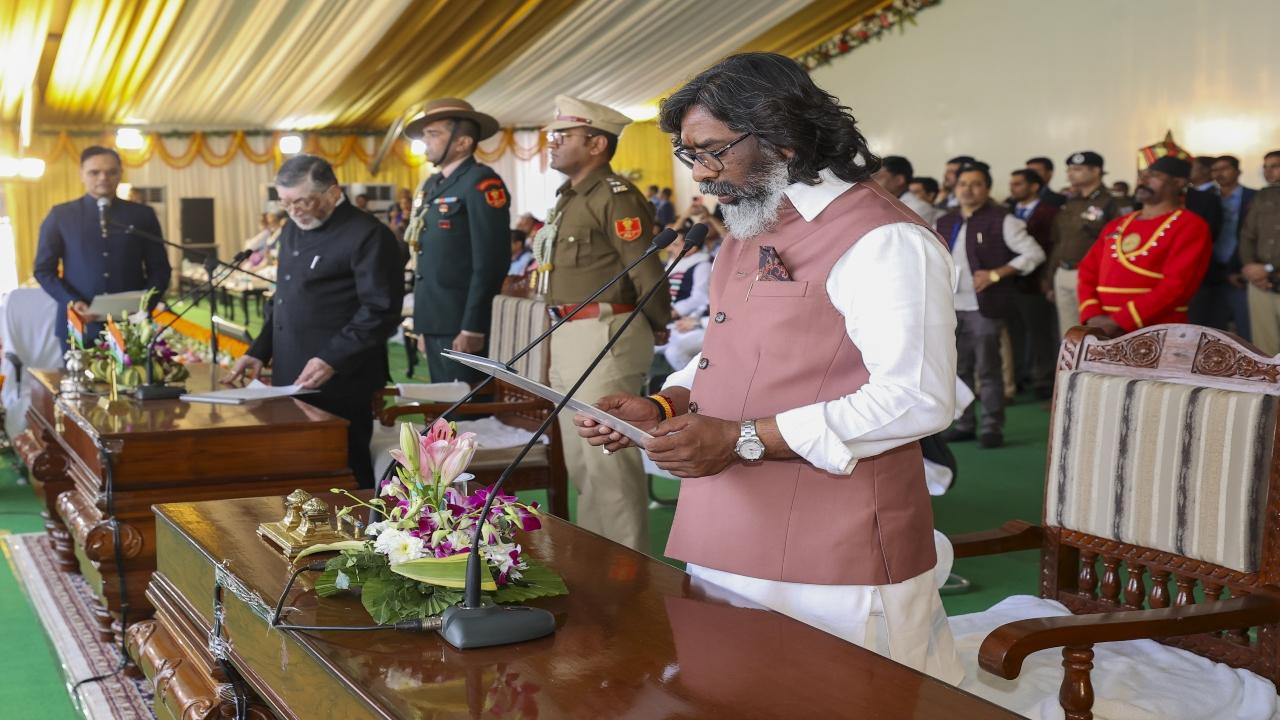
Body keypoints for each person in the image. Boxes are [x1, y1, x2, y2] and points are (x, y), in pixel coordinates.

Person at [576, 52, 963, 684]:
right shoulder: (751, 226)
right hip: (724, 523)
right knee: (724, 689)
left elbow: (915, 397)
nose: (701, 175)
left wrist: (742, 437)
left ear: (782, 135)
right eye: (691, 155)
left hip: (833, 547)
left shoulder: (884, 238)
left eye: (713, 152)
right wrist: (667, 404)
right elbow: (726, 350)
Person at [535, 94, 671, 551]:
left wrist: (656, 324)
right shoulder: (570, 198)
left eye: (565, 136)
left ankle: (628, 578)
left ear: (596, 143)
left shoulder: (614, 196)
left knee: (607, 461)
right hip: (572, 332)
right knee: (582, 460)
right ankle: (597, 564)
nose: (552, 143)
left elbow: (645, 268)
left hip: (607, 331)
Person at [225, 155, 404, 488]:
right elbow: (286, 298)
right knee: (298, 465)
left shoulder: (368, 235)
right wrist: (259, 350)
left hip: (341, 377)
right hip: (290, 373)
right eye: (285, 202)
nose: (293, 210)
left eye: (302, 201)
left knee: (343, 469)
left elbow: (380, 310)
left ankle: (359, 534)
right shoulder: (293, 228)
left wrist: (332, 358)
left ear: (333, 193)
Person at [402, 98, 511, 385]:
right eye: (425, 135)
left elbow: (491, 261)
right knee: (444, 407)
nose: (426, 142)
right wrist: (423, 324)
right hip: (435, 319)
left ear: (462, 143)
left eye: (434, 134)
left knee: (467, 413)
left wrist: (473, 327)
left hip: (462, 322)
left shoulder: (481, 182)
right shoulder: (431, 185)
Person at [937, 163, 1045, 448]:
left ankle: (991, 426)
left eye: (975, 184)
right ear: (954, 188)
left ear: (986, 189)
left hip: (983, 306)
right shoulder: (945, 221)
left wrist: (997, 273)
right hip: (948, 307)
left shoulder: (1002, 220)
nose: (968, 190)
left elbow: (1033, 254)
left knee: (988, 369)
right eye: (963, 184)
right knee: (957, 369)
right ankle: (964, 422)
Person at [34, 146, 170, 352]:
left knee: (132, 384)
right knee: (80, 385)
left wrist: (143, 306)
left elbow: (160, 269)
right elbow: (43, 270)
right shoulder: (61, 215)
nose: (103, 177)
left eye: (111, 172)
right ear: (82, 174)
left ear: (120, 173)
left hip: (131, 326)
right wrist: (72, 301)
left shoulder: (142, 215)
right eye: (94, 172)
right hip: (79, 324)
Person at [1077, 156, 1212, 337]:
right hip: (1101, 326)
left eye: (1154, 175)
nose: (1143, 180)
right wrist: (1092, 314)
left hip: (1157, 328)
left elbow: (1177, 285)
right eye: (1142, 175)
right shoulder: (1117, 224)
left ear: (1179, 182)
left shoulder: (1191, 225)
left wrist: (1120, 320)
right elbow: (1088, 270)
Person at [1044, 151, 1121, 335]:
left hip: (1091, 275)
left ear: (1096, 171)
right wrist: (1050, 276)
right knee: (1069, 333)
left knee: (1094, 332)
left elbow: (1116, 246)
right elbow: (1059, 241)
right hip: (1063, 271)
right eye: (1069, 169)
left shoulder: (1111, 201)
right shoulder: (1071, 202)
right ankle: (1071, 365)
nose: (1070, 173)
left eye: (1077, 169)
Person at [1188, 155, 1256, 339]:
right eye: (1215, 169)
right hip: (1209, 271)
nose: (1219, 173)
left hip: (1239, 270)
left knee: (1246, 330)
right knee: (1209, 330)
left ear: (1238, 171)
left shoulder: (1254, 197)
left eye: (1224, 168)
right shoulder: (1204, 198)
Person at [1007, 168, 1060, 398]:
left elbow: (1052, 248)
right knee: (1014, 333)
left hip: (1036, 281)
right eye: (1012, 183)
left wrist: (1047, 279)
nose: (1013, 188)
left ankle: (1044, 381)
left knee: (1040, 335)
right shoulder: (1006, 211)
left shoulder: (1049, 212)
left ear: (1034, 187)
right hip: (1011, 282)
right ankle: (1017, 377)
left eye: (1018, 184)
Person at [1239, 163, 1280, 353]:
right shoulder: (1263, 195)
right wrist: (1250, 267)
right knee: (1264, 348)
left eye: (1275, 166)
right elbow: (1248, 235)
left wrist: (1270, 268)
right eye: (1264, 166)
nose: (1267, 170)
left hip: (1269, 272)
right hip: (1259, 281)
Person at [661, 229, 712, 371]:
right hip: (676, 322)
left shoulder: (702, 265)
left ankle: (691, 389)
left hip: (694, 321)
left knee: (674, 352)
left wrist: (675, 311)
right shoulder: (673, 265)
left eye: (676, 245)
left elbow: (701, 298)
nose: (670, 249)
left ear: (692, 248)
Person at [874, 155, 943, 225]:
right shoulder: (882, 202)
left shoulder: (917, 208)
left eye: (877, 177)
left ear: (899, 180)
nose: (873, 182)